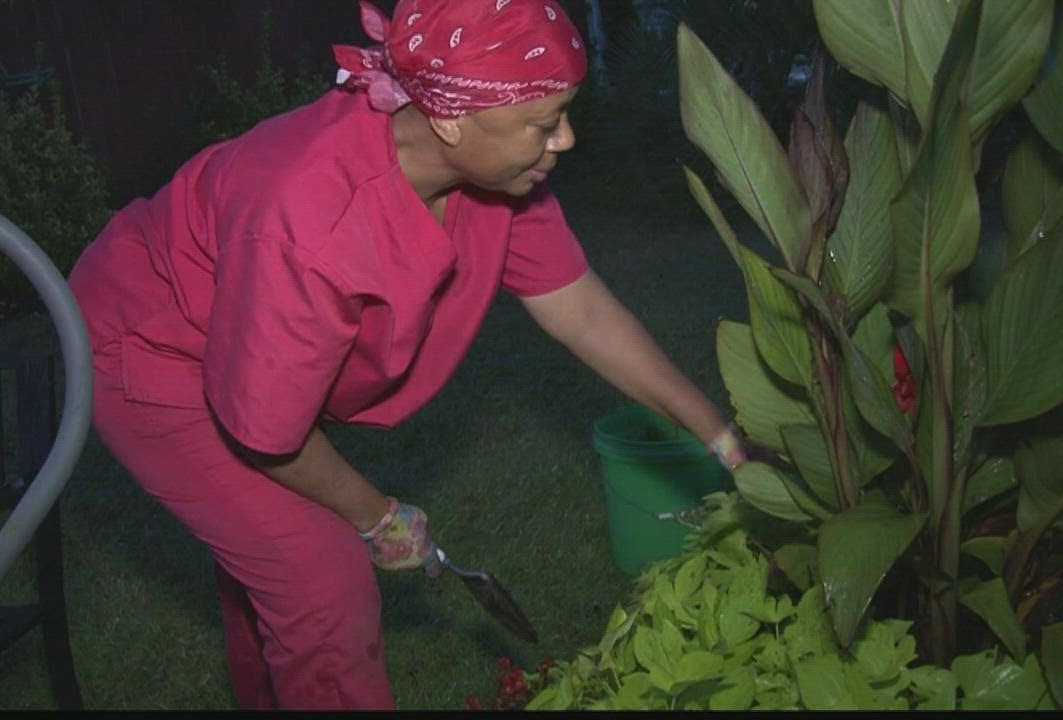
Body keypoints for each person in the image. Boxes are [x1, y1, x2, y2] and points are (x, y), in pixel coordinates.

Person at [67, 0, 746, 710]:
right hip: (150, 345)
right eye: (545, 126)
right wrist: (377, 515)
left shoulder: (498, 180)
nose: (565, 141)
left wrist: (724, 439)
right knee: (319, 578)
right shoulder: (313, 219)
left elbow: (583, 314)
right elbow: (268, 435)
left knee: (272, 554)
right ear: (450, 120)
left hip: (250, 335)